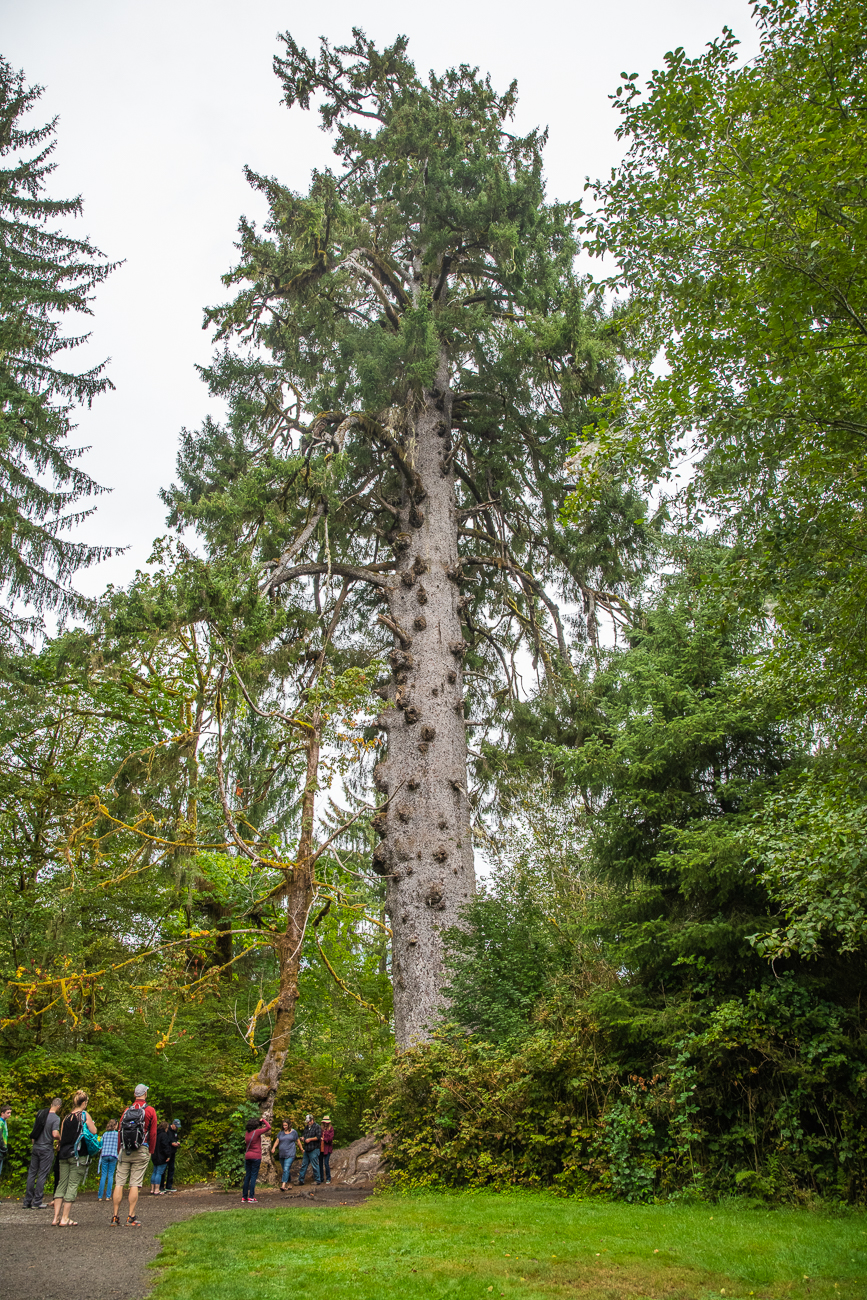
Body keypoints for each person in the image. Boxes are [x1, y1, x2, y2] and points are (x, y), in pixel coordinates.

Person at [111, 1083, 157, 1227]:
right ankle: (131, 1216)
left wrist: (120, 1149)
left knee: (119, 1182)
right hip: (141, 1148)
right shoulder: (150, 1111)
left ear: (134, 1095)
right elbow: (153, 1133)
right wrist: (151, 1151)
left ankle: (115, 1216)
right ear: (145, 1094)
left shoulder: (126, 1111)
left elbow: (120, 1132)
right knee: (134, 1184)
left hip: (125, 1150)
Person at [52, 1090, 97, 1226]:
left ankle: (56, 1217)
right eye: (86, 1102)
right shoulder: (83, 1115)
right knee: (72, 1185)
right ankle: (65, 1218)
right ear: (83, 1103)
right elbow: (94, 1131)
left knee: (61, 1184)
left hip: (63, 1154)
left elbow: (62, 1135)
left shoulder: (66, 1117)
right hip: (77, 1154)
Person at [23, 1096, 61, 1208]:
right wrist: (60, 1138)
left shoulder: (41, 1114)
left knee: (32, 1173)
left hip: (36, 1147)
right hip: (46, 1148)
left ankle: (27, 1201)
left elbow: (34, 1132)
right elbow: (54, 1133)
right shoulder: (56, 1118)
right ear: (58, 1106)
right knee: (42, 1174)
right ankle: (37, 1202)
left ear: (51, 1104)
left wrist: (34, 1144)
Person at [241, 1115, 271, 1203]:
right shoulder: (257, 1132)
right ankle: (251, 1197)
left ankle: (244, 1196)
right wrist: (263, 1120)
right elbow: (268, 1127)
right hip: (256, 1156)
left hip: (248, 1156)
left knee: (247, 1176)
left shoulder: (247, 1133)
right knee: (254, 1176)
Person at [271, 1119, 299, 1191]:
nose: (284, 1127)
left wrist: (301, 1149)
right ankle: (289, 1184)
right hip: (282, 1154)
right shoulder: (281, 1133)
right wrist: (273, 1148)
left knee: (286, 1168)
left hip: (290, 1153)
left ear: (289, 1125)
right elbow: (277, 1141)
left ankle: (283, 1185)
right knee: (285, 1170)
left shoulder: (294, 1132)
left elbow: (298, 1141)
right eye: (283, 1125)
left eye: (286, 1125)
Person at [97, 1120, 119, 1201]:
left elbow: (100, 1145)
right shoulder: (117, 1134)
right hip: (113, 1155)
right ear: (115, 1126)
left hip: (104, 1155)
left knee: (103, 1175)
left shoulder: (105, 1134)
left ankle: (100, 1196)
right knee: (110, 1175)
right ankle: (108, 1196)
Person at [298, 1114, 322, 1186]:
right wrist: (303, 1138)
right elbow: (304, 1135)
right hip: (307, 1149)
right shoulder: (306, 1128)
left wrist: (310, 1139)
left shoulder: (317, 1127)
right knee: (304, 1165)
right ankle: (301, 1180)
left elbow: (318, 1137)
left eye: (308, 1122)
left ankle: (317, 1180)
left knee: (315, 1165)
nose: (307, 1123)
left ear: (312, 1120)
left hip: (314, 1149)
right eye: (307, 1122)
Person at [149, 1122, 173, 1195]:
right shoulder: (164, 1135)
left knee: (155, 1172)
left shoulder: (155, 1134)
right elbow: (165, 1146)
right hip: (161, 1156)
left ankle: (152, 1189)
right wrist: (168, 1155)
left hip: (154, 1155)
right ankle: (157, 1189)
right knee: (159, 1173)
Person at [160, 1118, 181, 1193]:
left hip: (173, 1152)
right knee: (163, 1169)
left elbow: (175, 1138)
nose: (177, 1128)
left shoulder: (175, 1131)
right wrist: (172, 1143)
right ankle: (161, 1186)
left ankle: (169, 1186)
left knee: (171, 1168)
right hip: (166, 1152)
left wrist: (177, 1142)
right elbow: (165, 1141)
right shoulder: (167, 1129)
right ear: (173, 1124)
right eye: (176, 1126)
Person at [319, 1114, 334, 1185]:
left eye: (326, 1122)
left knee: (326, 1163)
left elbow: (330, 1139)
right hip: (320, 1148)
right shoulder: (320, 1129)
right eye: (324, 1122)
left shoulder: (331, 1129)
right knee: (320, 1163)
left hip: (327, 1148)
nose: (325, 1124)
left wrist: (324, 1139)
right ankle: (321, 1178)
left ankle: (328, 1178)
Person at [0, 1103, 11, 1179]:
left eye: (10, 1113)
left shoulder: (4, 1122)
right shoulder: (0, 1123)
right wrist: (3, 1148)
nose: (9, 1115)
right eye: (8, 1113)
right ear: (2, 1113)